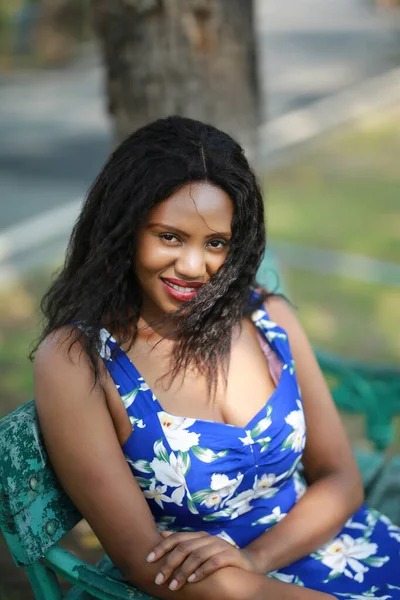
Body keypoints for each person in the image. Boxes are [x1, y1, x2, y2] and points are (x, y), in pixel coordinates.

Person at [33, 116, 400, 600]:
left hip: (334, 544)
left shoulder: (264, 315)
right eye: (169, 236)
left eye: (215, 243)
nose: (192, 267)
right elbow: (147, 565)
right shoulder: (79, 360)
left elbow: (339, 478)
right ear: (122, 229)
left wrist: (257, 557)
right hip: (207, 589)